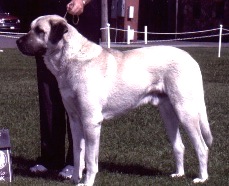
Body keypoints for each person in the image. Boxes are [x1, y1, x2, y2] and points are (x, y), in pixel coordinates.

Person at [30, 0, 101, 179]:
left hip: (82, 20)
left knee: (83, 101)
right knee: (48, 94)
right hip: (48, 19)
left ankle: (76, 162)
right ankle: (50, 157)